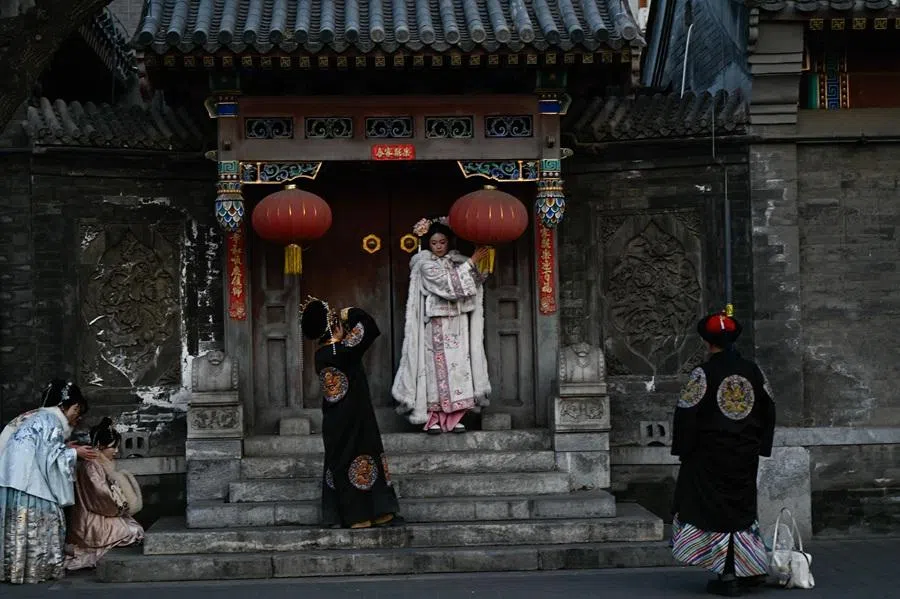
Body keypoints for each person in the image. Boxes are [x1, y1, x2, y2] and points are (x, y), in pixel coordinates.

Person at [670, 312, 776, 597]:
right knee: (742, 511)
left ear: (707, 342)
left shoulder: (703, 374)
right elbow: (769, 409)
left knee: (714, 512)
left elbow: (686, 414)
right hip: (744, 456)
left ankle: (727, 572)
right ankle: (750, 568)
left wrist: (684, 450)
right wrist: (759, 445)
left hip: (710, 457)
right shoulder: (754, 371)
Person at [300, 297, 401, 529]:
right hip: (356, 417)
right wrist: (349, 312)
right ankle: (368, 513)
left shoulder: (323, 354)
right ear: (331, 325)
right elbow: (370, 325)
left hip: (335, 421)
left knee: (343, 463)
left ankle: (354, 514)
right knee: (365, 458)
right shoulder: (343, 350)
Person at [392, 216, 492, 433]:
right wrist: (471, 262)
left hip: (457, 323)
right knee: (434, 371)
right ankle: (432, 418)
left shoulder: (457, 261)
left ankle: (455, 418)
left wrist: (479, 262)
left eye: (442, 242)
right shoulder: (425, 265)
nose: (438, 247)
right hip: (435, 325)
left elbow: (474, 284)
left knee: (459, 369)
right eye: (434, 243)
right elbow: (448, 285)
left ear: (449, 242)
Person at [0, 380, 97, 584]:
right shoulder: (52, 421)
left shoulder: (38, 417)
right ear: (72, 406)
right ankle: (37, 569)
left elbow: (45, 449)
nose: (76, 418)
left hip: (15, 476)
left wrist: (65, 447)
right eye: (76, 411)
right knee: (47, 518)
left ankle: (15, 569)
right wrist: (74, 452)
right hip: (31, 480)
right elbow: (51, 455)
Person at [66, 417, 144, 571]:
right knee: (135, 531)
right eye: (113, 447)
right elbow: (100, 497)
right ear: (100, 446)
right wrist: (119, 508)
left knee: (134, 527)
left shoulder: (97, 463)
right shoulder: (91, 466)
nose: (116, 451)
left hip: (98, 514)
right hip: (91, 519)